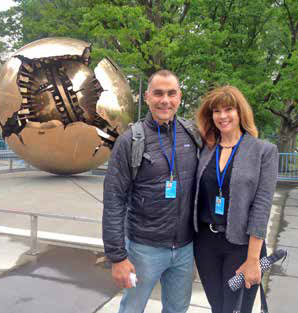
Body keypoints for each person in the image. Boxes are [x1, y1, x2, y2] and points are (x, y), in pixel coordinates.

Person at [103, 70, 201, 313]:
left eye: (171, 93)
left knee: (178, 309)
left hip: (185, 249)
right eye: (158, 93)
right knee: (132, 309)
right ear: (146, 97)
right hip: (143, 250)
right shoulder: (130, 141)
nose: (165, 100)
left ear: (179, 97)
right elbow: (114, 201)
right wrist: (117, 258)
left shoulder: (193, 134)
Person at [193, 85, 278, 313]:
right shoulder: (205, 149)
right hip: (206, 245)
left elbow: (261, 207)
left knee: (235, 309)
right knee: (217, 307)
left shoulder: (264, 151)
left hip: (241, 246)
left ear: (240, 112)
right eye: (216, 111)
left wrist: (253, 260)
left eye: (228, 109)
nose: (222, 116)